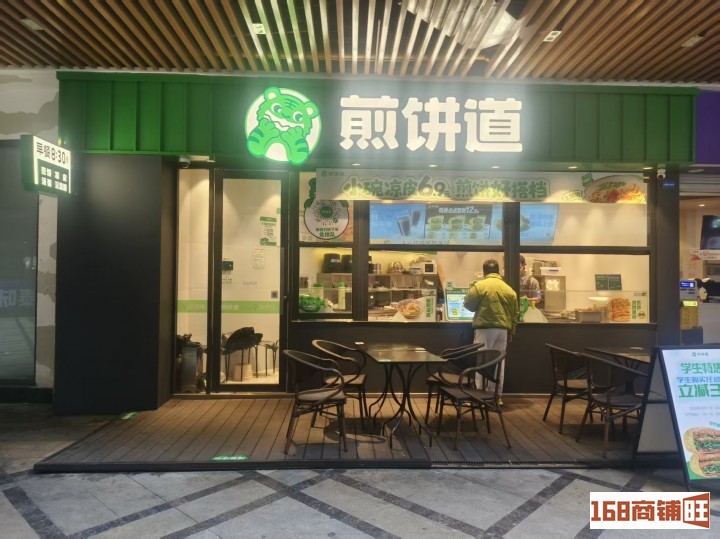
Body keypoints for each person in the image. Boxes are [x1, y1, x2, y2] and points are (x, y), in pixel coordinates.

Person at [463, 259, 519, 404]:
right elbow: (515, 314)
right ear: (498, 271)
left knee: (482, 361)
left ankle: (479, 396)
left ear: (484, 272)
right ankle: (496, 396)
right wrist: (511, 332)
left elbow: (468, 305)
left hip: (485, 328)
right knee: (499, 362)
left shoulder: (480, 286)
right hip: (503, 330)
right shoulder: (509, 289)